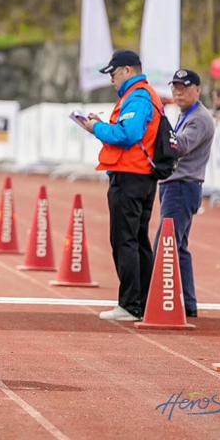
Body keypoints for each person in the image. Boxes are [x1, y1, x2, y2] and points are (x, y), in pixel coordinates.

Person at [79, 49, 162, 321]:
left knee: (125, 240)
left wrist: (96, 129)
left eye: (113, 74)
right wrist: (102, 126)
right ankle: (141, 302)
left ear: (127, 71)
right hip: (138, 175)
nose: (112, 81)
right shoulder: (141, 95)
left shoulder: (138, 97)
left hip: (131, 177)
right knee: (137, 240)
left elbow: (128, 135)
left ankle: (130, 305)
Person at [157, 69, 214, 319]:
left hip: (182, 186)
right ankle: (187, 304)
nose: (178, 92)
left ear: (198, 90)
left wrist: (156, 127)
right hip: (177, 185)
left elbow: (178, 146)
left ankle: (162, 301)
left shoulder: (199, 118)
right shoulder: (186, 114)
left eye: (184, 87)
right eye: (175, 87)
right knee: (177, 247)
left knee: (166, 244)